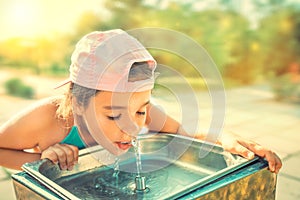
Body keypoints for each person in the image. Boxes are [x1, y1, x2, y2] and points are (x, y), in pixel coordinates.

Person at [0, 29, 282, 173]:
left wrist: (222, 137)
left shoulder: (141, 115)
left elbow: (182, 133)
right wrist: (40, 161)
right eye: (113, 116)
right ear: (78, 103)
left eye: (140, 110)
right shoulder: (48, 120)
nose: (133, 127)